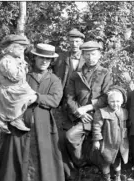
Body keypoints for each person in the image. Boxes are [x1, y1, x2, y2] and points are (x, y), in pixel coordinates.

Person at [0, 43, 65, 181]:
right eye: (41, 58)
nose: (44, 61)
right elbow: (8, 90)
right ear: (34, 58)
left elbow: (55, 100)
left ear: (51, 61)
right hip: (19, 121)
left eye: (47, 59)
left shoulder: (54, 80)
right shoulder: (24, 75)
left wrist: (37, 97)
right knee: (13, 158)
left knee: (43, 160)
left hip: (43, 124)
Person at [65, 41, 113, 168]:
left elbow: (106, 96)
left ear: (99, 55)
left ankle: (101, 167)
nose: (90, 58)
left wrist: (88, 107)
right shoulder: (76, 74)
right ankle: (81, 162)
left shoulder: (105, 73)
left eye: (93, 54)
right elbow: (69, 97)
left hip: (98, 115)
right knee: (70, 136)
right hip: (80, 116)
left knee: (102, 144)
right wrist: (79, 113)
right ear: (83, 55)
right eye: (87, 55)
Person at [51, 28, 86, 180]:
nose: (74, 44)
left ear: (82, 42)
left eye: (77, 41)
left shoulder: (88, 58)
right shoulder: (60, 57)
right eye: (71, 41)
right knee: (62, 138)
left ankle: (81, 165)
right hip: (62, 104)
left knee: (76, 138)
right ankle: (67, 172)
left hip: (82, 106)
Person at [0, 34, 37, 133]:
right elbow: (15, 77)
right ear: (10, 49)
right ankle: (3, 121)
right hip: (10, 89)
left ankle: (15, 119)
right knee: (26, 98)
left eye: (23, 49)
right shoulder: (6, 62)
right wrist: (22, 66)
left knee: (32, 96)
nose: (22, 51)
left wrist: (22, 63)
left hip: (18, 87)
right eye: (19, 49)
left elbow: (25, 71)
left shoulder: (15, 59)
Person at [92, 86, 129, 181]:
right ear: (108, 102)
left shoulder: (124, 112)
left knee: (117, 160)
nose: (115, 104)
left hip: (120, 142)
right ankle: (107, 178)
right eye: (112, 101)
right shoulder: (102, 112)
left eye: (117, 101)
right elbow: (96, 127)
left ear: (121, 102)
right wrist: (96, 140)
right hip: (107, 142)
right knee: (106, 161)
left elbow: (127, 125)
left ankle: (117, 177)